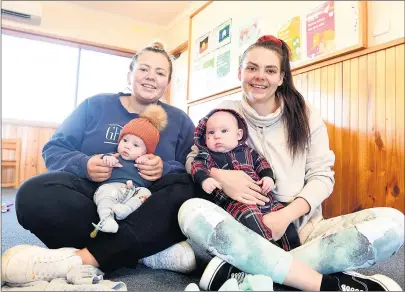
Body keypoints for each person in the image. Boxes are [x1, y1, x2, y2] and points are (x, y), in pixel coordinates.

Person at [182, 35, 404, 291]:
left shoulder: (305, 113)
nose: (259, 76)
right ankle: (324, 283)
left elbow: (323, 175)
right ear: (239, 72)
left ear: (281, 77)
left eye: (270, 70)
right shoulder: (225, 110)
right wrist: (221, 177)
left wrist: (284, 217)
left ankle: (243, 269)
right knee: (190, 211)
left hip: (304, 229)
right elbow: (193, 158)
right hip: (243, 226)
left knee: (394, 224)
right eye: (252, 68)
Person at [1, 42, 210, 286]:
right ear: (130, 74)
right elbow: (53, 149)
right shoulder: (95, 105)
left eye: (160, 72)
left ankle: (83, 258)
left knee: (188, 187)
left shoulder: (180, 121)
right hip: (93, 200)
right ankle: (146, 250)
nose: (151, 77)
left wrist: (165, 168)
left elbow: (193, 167)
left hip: (146, 203)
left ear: (168, 82)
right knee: (31, 194)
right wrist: (84, 163)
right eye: (144, 69)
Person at [191, 108, 300, 250]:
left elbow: (262, 164)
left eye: (224, 131)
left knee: (284, 221)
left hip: (264, 198)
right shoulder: (208, 155)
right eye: (211, 132)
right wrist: (204, 179)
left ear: (238, 134)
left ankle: (295, 251)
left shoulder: (247, 151)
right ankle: (269, 251)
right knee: (250, 218)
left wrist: (268, 178)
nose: (217, 136)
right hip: (236, 202)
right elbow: (197, 166)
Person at [90, 104, 167, 236]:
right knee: (104, 194)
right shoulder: (114, 156)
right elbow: (100, 160)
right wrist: (107, 160)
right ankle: (106, 219)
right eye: (125, 140)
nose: (127, 146)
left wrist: (146, 161)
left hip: (132, 192)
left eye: (136, 145)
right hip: (112, 188)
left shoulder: (146, 163)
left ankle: (125, 210)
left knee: (146, 192)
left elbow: (151, 180)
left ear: (146, 151)